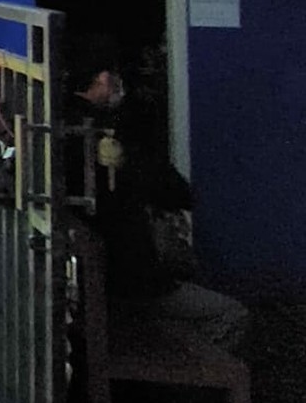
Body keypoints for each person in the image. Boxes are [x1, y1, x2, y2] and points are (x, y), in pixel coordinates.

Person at [65, 34, 248, 355]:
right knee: (231, 314)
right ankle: (187, 391)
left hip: (87, 283)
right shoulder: (115, 132)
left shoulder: (59, 124)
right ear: (103, 78)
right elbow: (175, 192)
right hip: (132, 281)